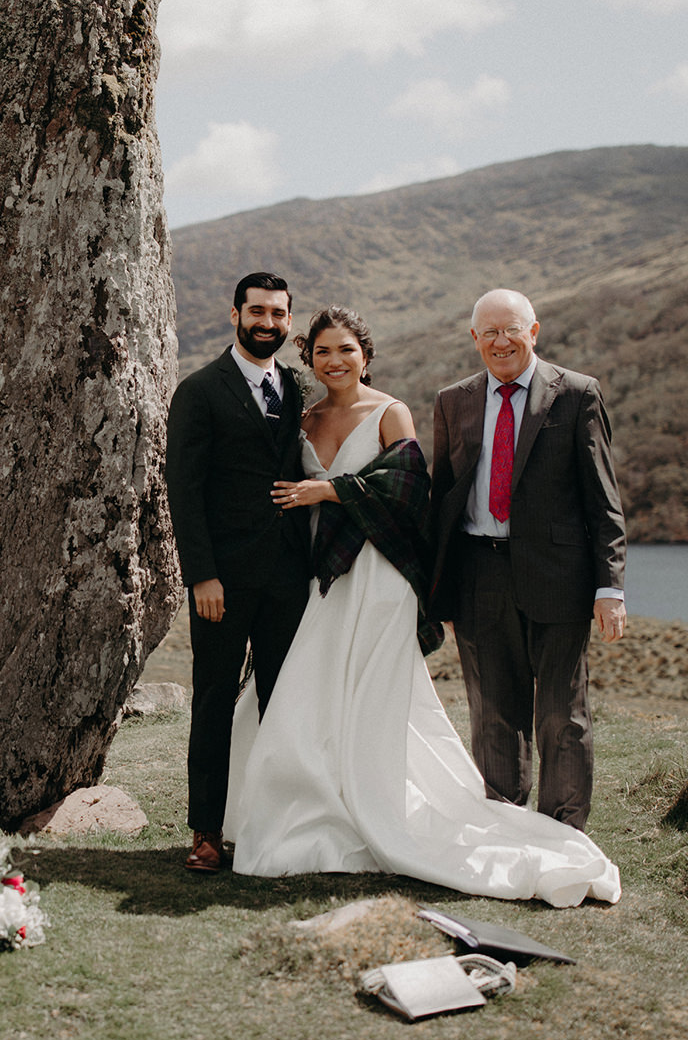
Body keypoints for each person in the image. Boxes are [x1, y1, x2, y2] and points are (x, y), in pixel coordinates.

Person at [224, 306, 619, 907]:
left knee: (382, 700)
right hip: (324, 574)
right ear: (309, 357)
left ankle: (392, 805)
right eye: (324, 351)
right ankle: (313, 808)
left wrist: (330, 489)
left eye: (347, 350)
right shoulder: (301, 420)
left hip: (379, 577)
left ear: (366, 354)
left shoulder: (391, 411)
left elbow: (410, 485)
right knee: (309, 690)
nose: (336, 361)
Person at [426, 288, 627, 831]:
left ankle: (563, 833)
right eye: (489, 332)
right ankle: (506, 828)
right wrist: (435, 587)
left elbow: (602, 499)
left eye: (511, 329)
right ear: (474, 339)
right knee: (493, 713)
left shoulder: (578, 394)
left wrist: (609, 587)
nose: (501, 341)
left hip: (559, 579)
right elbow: (442, 498)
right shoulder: (453, 400)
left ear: (533, 332)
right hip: (478, 577)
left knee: (563, 715)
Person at [164, 272, 311, 874]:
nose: (267, 323)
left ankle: (277, 825)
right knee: (215, 702)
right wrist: (202, 575)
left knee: (283, 703)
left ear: (288, 322)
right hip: (221, 582)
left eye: (278, 314)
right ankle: (205, 831)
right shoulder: (199, 391)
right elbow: (184, 489)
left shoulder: (296, 390)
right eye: (257, 312)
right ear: (234, 315)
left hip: (288, 580)